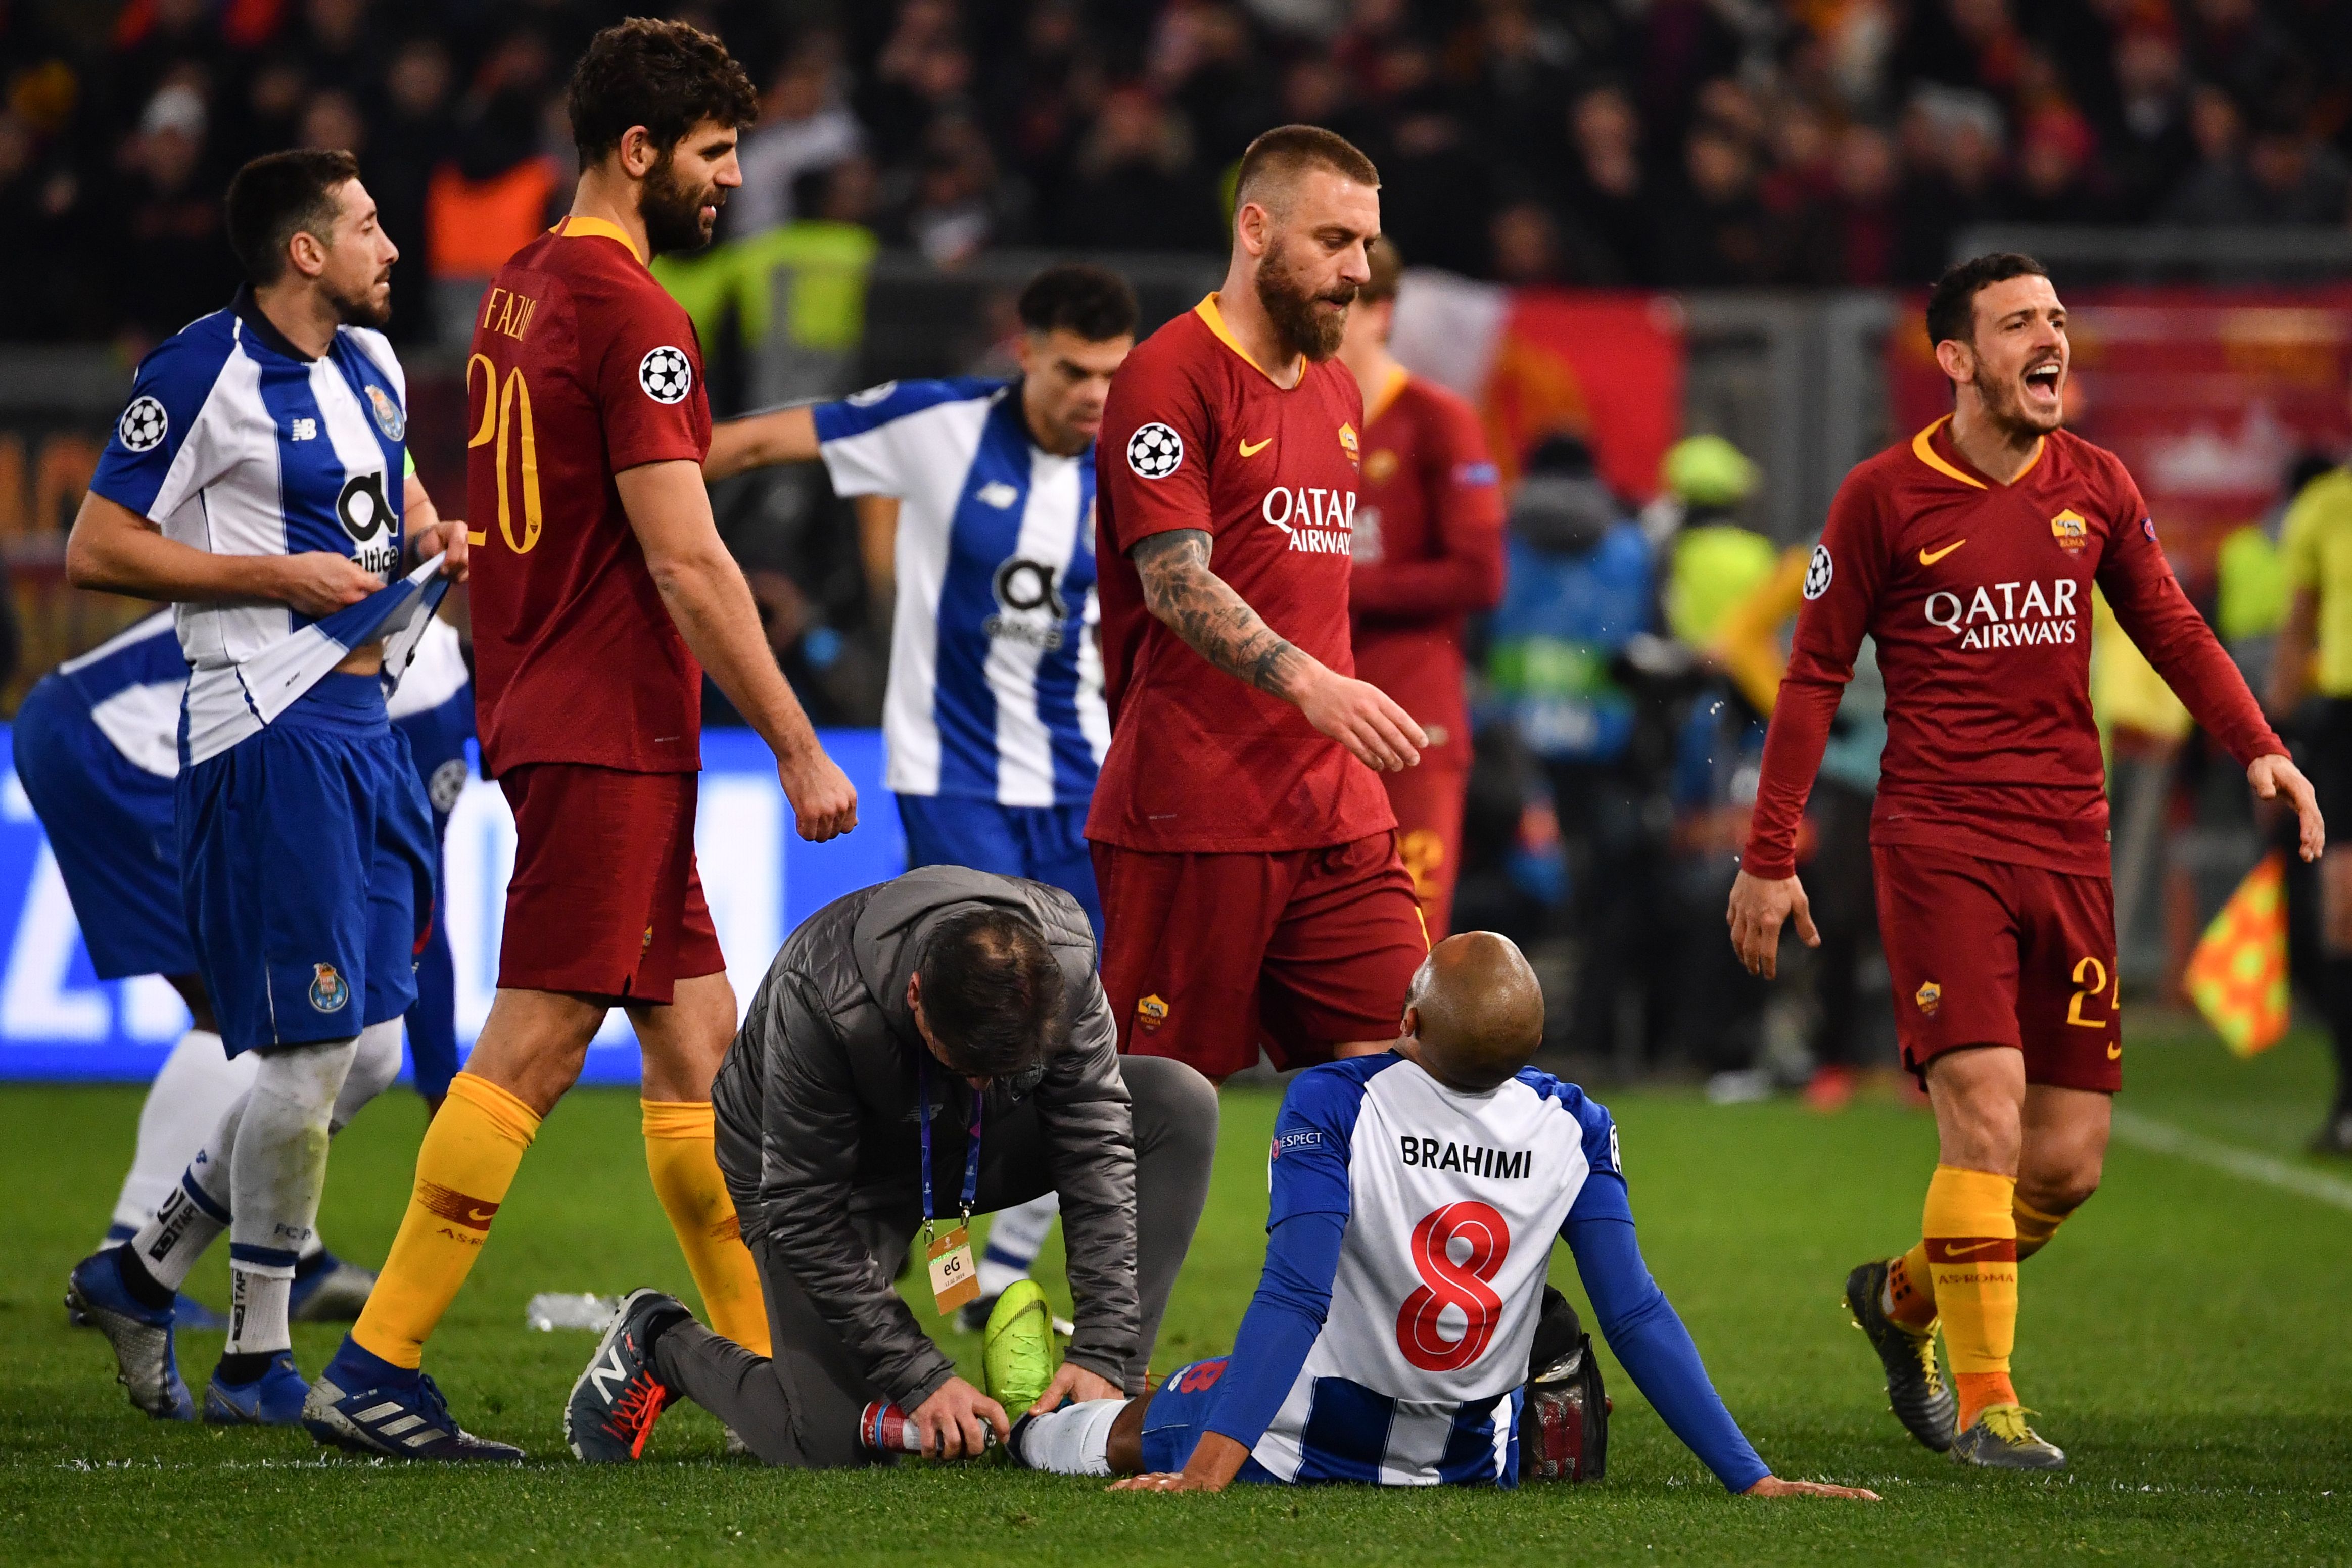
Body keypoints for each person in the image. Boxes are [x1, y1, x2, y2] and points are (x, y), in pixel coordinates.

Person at [307, 20, 858, 1462]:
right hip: (607, 725)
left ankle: (764, 1378)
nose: (732, 180)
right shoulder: (633, 317)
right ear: (639, 152)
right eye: (715, 153)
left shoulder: (520, 288)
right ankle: (378, 1361)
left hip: (578, 713)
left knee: (701, 1056)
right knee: (539, 1040)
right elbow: (688, 563)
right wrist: (796, 746)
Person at [1727, 252, 2323, 1470]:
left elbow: (2167, 622)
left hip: (2069, 841)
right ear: (1954, 359)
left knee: (2063, 1163)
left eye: (2056, 319)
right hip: (1938, 840)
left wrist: (2256, 743)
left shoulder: (2094, 483)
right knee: (1983, 1118)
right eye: (2017, 324)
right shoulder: (1881, 498)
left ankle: (1898, 1299)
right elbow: (1811, 676)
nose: (2050, 340)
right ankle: (1992, 1408)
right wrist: (1767, 850)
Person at [60, 147, 467, 1428]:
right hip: (264, 727)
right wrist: (277, 580)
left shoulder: (373, 364)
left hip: (366, 723)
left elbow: (394, 494)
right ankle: (254, 1353)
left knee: (373, 1053)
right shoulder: (199, 373)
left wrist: (431, 535)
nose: (390, 244)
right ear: (305, 251)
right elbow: (95, 546)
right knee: (307, 1054)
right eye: (366, 224)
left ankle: (141, 1266)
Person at [1004, 931, 1875, 1500]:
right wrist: (1753, 1480)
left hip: (1305, 1434)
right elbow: (1633, 1311)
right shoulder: (1576, 1121)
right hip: (1461, 1461)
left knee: (1107, 1430)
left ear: (1409, 1020)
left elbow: (1296, 1293)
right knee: (1210, 1380)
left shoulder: (1334, 1099)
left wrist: (1202, 1476)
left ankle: (1028, 1419)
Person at [702, 263, 1139, 1327]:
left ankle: (999, 1278)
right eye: (1076, 371)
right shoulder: (935, 422)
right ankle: (906, 1241)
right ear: (1025, 348)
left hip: (1083, 783)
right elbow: (752, 443)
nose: (1094, 396)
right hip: (954, 781)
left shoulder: (1138, 462)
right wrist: (617, 488)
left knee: (1079, 1029)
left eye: (1112, 377)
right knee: (960, 1018)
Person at [557, 866, 1218, 1468]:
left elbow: (1094, 1146)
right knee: (826, 1442)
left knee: (1176, 1104)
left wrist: (1103, 1343)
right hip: (826, 1183)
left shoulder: (1061, 966)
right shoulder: (818, 998)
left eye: (1006, 1072)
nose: (986, 1084)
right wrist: (922, 1376)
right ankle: (661, 1340)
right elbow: (804, 1214)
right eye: (968, 1066)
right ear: (915, 996)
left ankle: (1110, 1388)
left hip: (958, 1147)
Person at [1091, 123, 1429, 1086]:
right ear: (1254, 230)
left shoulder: (1336, 391)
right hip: (1196, 808)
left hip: (1336, 809)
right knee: (1155, 1104)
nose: (1359, 270)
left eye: (1364, 244)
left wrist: (1327, 704)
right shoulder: (1167, 375)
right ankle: (942, 1214)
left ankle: (1315, 1249)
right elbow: (1172, 579)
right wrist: (1309, 683)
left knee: (1411, 1067)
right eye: (1334, 241)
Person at [26, 611, 475, 1329]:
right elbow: (418, 905)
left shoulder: (413, 643)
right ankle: (137, 1248)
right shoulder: (427, 684)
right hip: (117, 746)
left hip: (86, 727)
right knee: (271, 1020)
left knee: (280, 1019)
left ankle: (285, 1254)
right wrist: (443, 1095)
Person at [1336, 237, 1506, 938]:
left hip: (1412, 718)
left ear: (1382, 313)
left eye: (1338, 303)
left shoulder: (1438, 421)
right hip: (1312, 717)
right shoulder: (1292, 422)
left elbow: (1481, 574)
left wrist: (1337, 586)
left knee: (1402, 939)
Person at [2268, 411, 2352, 1156]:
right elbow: (2298, 627)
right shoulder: (2325, 507)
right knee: (2340, 916)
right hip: (2344, 727)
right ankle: (2349, 1099)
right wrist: (2272, 743)